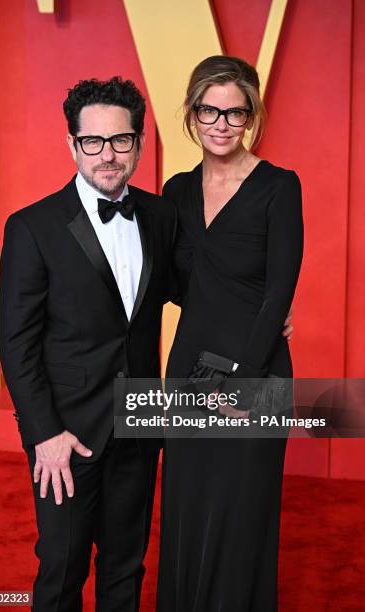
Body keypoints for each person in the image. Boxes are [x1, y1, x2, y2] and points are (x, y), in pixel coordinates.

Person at [0, 76, 177, 612]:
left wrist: (265, 310)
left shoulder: (162, 217)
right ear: (72, 144)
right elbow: (18, 343)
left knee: (126, 570)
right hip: (66, 436)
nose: (108, 155)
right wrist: (44, 434)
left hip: (139, 427)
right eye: (92, 142)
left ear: (139, 143)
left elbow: (192, 290)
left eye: (121, 140)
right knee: (62, 569)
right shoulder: (32, 226)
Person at [156, 56, 304, 611]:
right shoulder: (175, 192)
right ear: (193, 114)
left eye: (234, 112)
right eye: (209, 110)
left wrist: (244, 375)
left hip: (255, 370)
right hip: (190, 366)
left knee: (243, 514)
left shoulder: (279, 188)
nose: (220, 122)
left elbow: (278, 294)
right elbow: (171, 283)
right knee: (187, 507)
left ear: (251, 116)